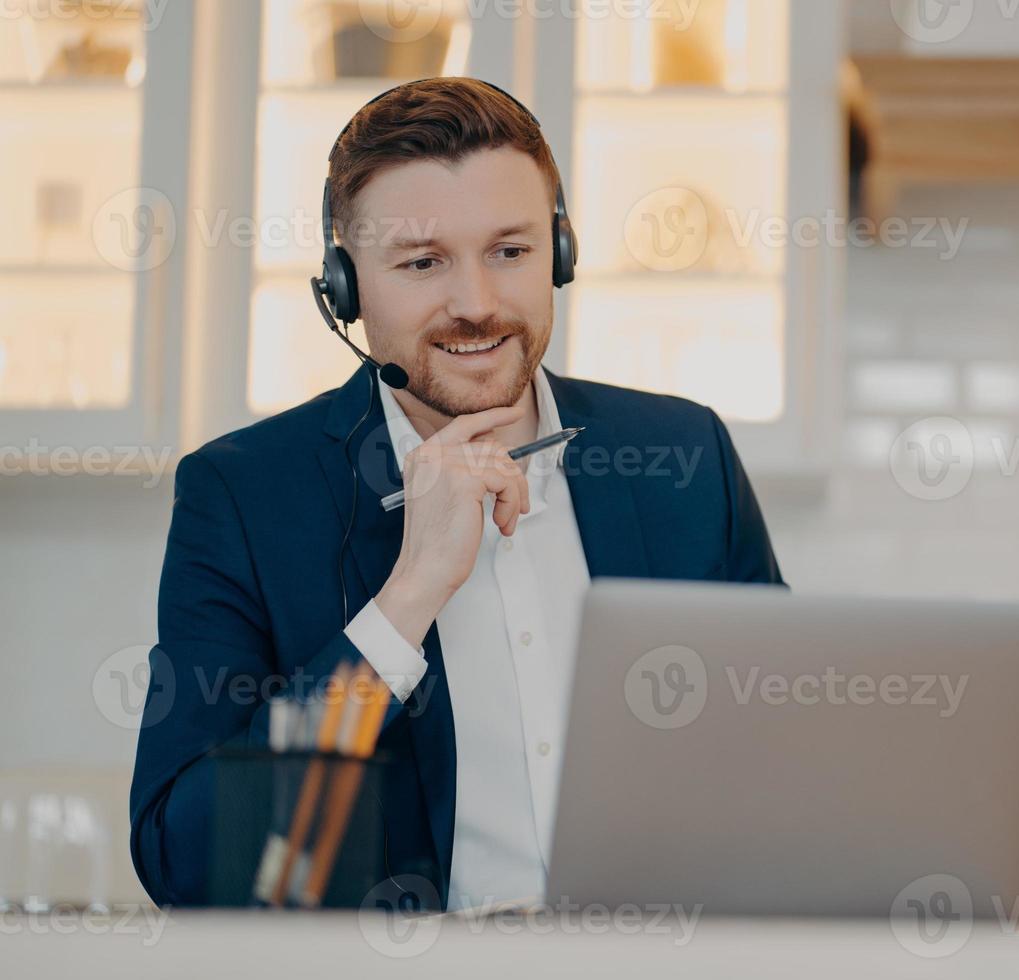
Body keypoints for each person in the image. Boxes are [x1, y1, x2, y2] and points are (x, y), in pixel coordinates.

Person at [129, 77, 783, 911]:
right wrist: (406, 600)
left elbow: (778, 757)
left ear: (561, 254)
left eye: (510, 252)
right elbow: (192, 868)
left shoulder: (683, 456)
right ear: (344, 284)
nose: (475, 304)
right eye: (422, 262)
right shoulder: (245, 495)